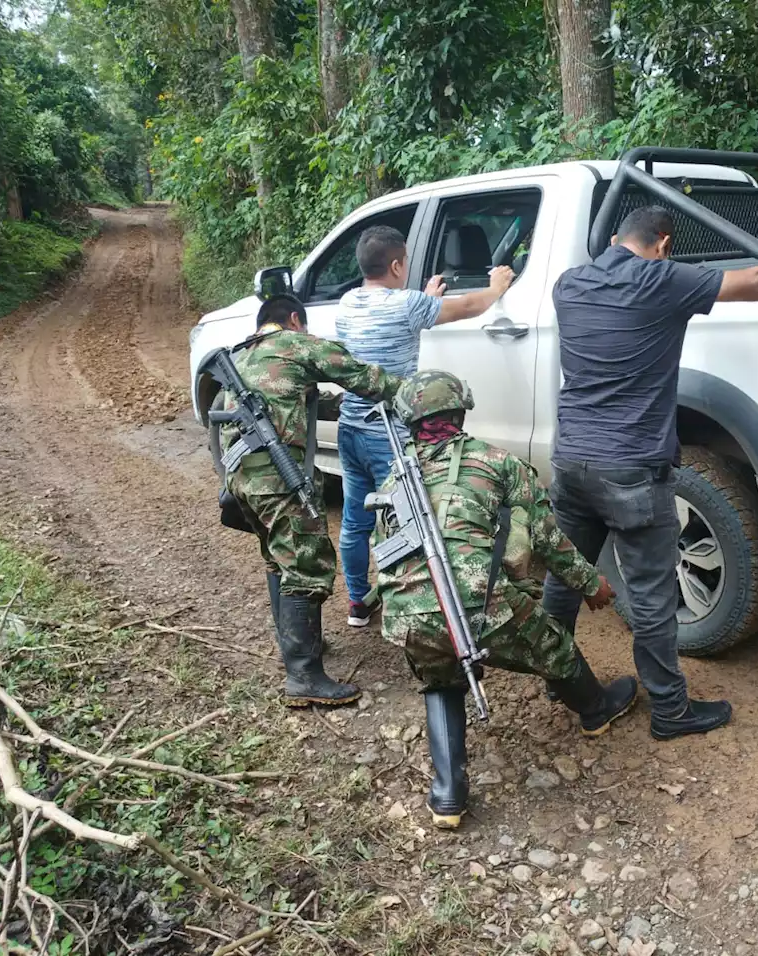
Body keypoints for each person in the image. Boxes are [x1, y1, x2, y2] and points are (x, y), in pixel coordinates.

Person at [541, 205, 758, 740]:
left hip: (571, 461)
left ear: (613, 239)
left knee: (562, 576)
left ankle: (558, 677)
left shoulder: (568, 284)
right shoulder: (661, 280)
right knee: (650, 594)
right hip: (630, 467)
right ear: (664, 244)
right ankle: (671, 711)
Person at [373, 370, 634, 829]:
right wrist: (591, 584)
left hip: (406, 613)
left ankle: (448, 796)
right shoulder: (496, 461)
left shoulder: (397, 478)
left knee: (440, 677)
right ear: (460, 410)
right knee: (551, 642)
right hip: (478, 604)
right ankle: (596, 710)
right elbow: (548, 537)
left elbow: (384, 550)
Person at [220, 294, 405, 708]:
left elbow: (286, 397)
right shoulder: (295, 343)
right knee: (306, 563)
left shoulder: (242, 356)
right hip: (276, 475)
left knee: (279, 559)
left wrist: (335, 405)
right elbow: (362, 375)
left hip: (242, 479)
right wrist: (414, 392)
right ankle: (303, 675)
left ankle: (298, 648)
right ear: (294, 320)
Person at [335, 225, 515, 629]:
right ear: (398, 265)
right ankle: (410, 607)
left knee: (355, 520)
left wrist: (425, 300)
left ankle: (358, 603)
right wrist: (497, 285)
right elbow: (470, 306)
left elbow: (401, 314)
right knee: (406, 520)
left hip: (350, 429)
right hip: (390, 436)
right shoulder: (407, 305)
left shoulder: (348, 303)